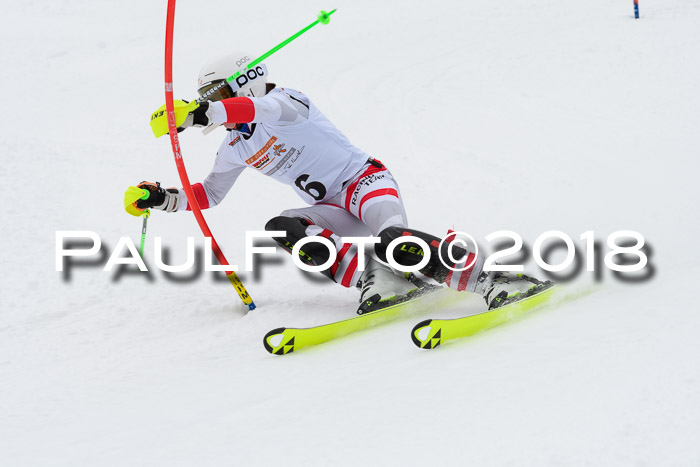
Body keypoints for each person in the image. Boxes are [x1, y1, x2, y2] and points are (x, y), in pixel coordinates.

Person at [133, 52, 550, 313]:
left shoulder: (287, 101)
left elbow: (256, 108)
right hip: (332, 206)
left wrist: (201, 114)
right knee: (286, 228)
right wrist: (160, 198)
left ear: (243, 81)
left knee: (394, 239)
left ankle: (492, 279)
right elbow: (209, 194)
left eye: (216, 94)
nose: (212, 104)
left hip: (366, 183)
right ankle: (381, 278)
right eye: (206, 98)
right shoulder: (234, 147)